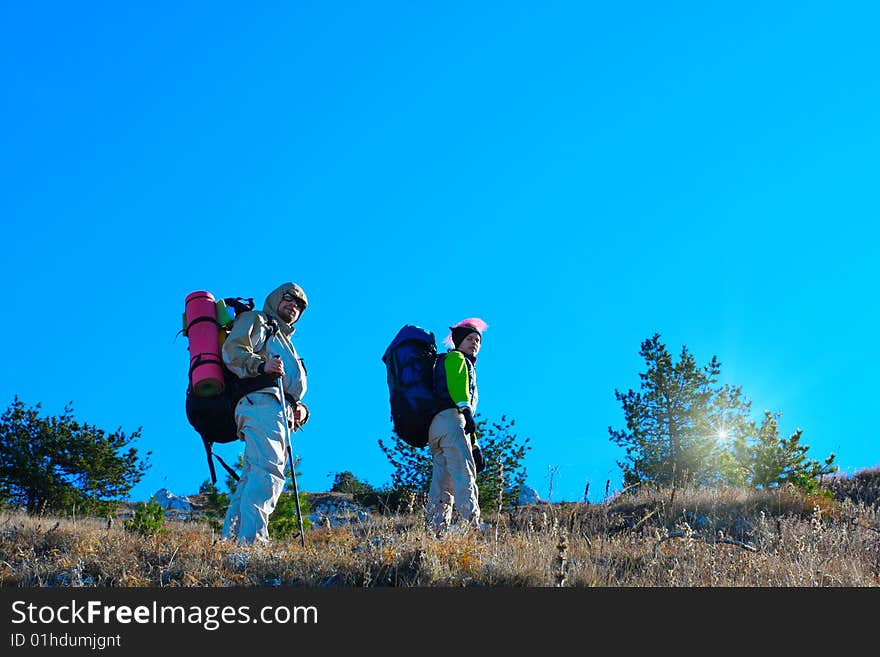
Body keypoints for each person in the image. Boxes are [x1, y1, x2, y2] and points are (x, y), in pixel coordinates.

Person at [221, 282, 310, 546]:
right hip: (260, 403)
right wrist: (262, 366)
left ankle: (233, 543)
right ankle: (253, 545)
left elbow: (293, 391)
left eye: (300, 305)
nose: (294, 306)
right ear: (274, 298)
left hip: (276, 411)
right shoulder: (258, 320)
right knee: (268, 473)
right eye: (289, 298)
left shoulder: (287, 344)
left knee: (254, 475)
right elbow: (233, 351)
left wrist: (301, 410)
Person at [426, 317, 488, 534]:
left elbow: (466, 423)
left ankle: (435, 531)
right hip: (452, 421)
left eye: (478, 340)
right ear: (458, 341)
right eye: (470, 338)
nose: (475, 343)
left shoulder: (443, 362)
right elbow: (458, 385)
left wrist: (475, 445)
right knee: (464, 473)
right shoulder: (456, 358)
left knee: (442, 483)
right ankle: (473, 525)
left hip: (436, 428)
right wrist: (466, 409)